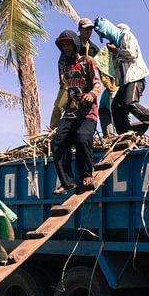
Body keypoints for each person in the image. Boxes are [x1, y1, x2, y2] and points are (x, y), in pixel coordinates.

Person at [93, 18, 149, 138]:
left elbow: (132, 54)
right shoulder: (115, 44)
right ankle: (126, 133)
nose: (105, 37)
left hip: (135, 77)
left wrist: (116, 51)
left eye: (104, 34)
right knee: (116, 106)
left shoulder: (126, 35)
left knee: (129, 102)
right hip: (125, 81)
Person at [51, 46, 102, 194]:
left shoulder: (88, 62)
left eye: (68, 45)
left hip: (88, 113)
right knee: (57, 142)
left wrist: (92, 94)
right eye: (63, 46)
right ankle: (67, 182)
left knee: (82, 137)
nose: (65, 48)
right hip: (70, 114)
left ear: (75, 45)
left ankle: (86, 175)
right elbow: (65, 92)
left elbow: (97, 82)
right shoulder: (66, 69)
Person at [50, 19, 100, 130]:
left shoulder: (94, 49)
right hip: (70, 82)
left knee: (85, 109)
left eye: (90, 29)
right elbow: (62, 61)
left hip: (85, 86)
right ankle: (53, 130)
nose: (88, 31)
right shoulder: (70, 42)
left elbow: (97, 67)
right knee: (59, 106)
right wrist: (62, 74)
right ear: (79, 29)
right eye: (86, 28)